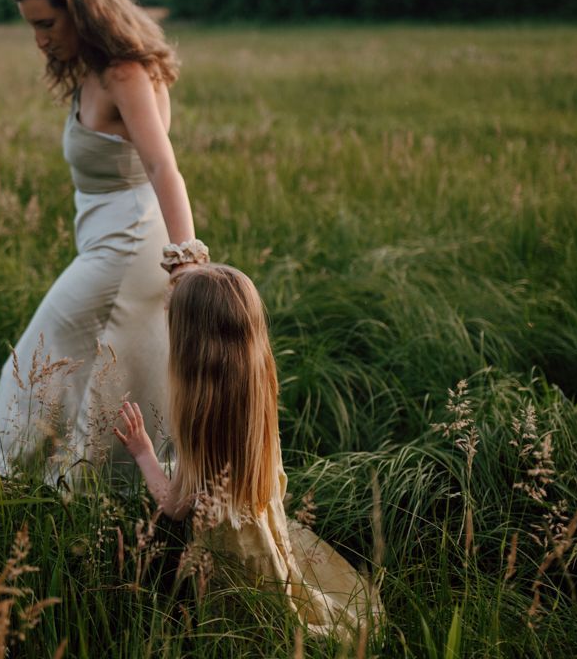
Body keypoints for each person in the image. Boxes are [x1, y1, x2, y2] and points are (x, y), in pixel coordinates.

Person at [0, 0, 208, 482]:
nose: (39, 39)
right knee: (115, 371)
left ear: (81, 9)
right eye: (31, 27)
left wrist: (187, 259)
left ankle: (4, 480)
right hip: (108, 239)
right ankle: (105, 493)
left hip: (130, 245)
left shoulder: (124, 73)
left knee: (35, 362)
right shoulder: (91, 68)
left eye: (46, 23)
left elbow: (162, 165)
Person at [113, 264, 382, 638]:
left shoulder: (202, 423)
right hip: (265, 542)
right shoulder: (257, 400)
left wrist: (143, 452)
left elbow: (173, 506)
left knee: (255, 633)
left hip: (236, 564)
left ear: (189, 351)